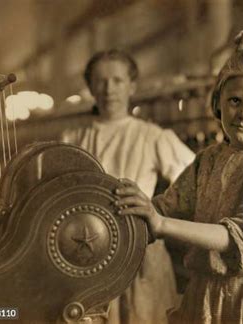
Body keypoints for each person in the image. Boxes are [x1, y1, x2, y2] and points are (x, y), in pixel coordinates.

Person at [114, 31, 243, 323]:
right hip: (206, 298)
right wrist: (131, 208)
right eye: (235, 100)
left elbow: (241, 236)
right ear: (218, 103)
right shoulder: (209, 160)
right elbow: (164, 208)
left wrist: (161, 224)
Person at [61, 48, 195, 324]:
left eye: (118, 80)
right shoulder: (72, 139)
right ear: (90, 87)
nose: (109, 89)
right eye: (100, 81)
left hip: (140, 253)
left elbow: (197, 183)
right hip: (85, 255)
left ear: (132, 85)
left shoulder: (152, 136)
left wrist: (156, 211)